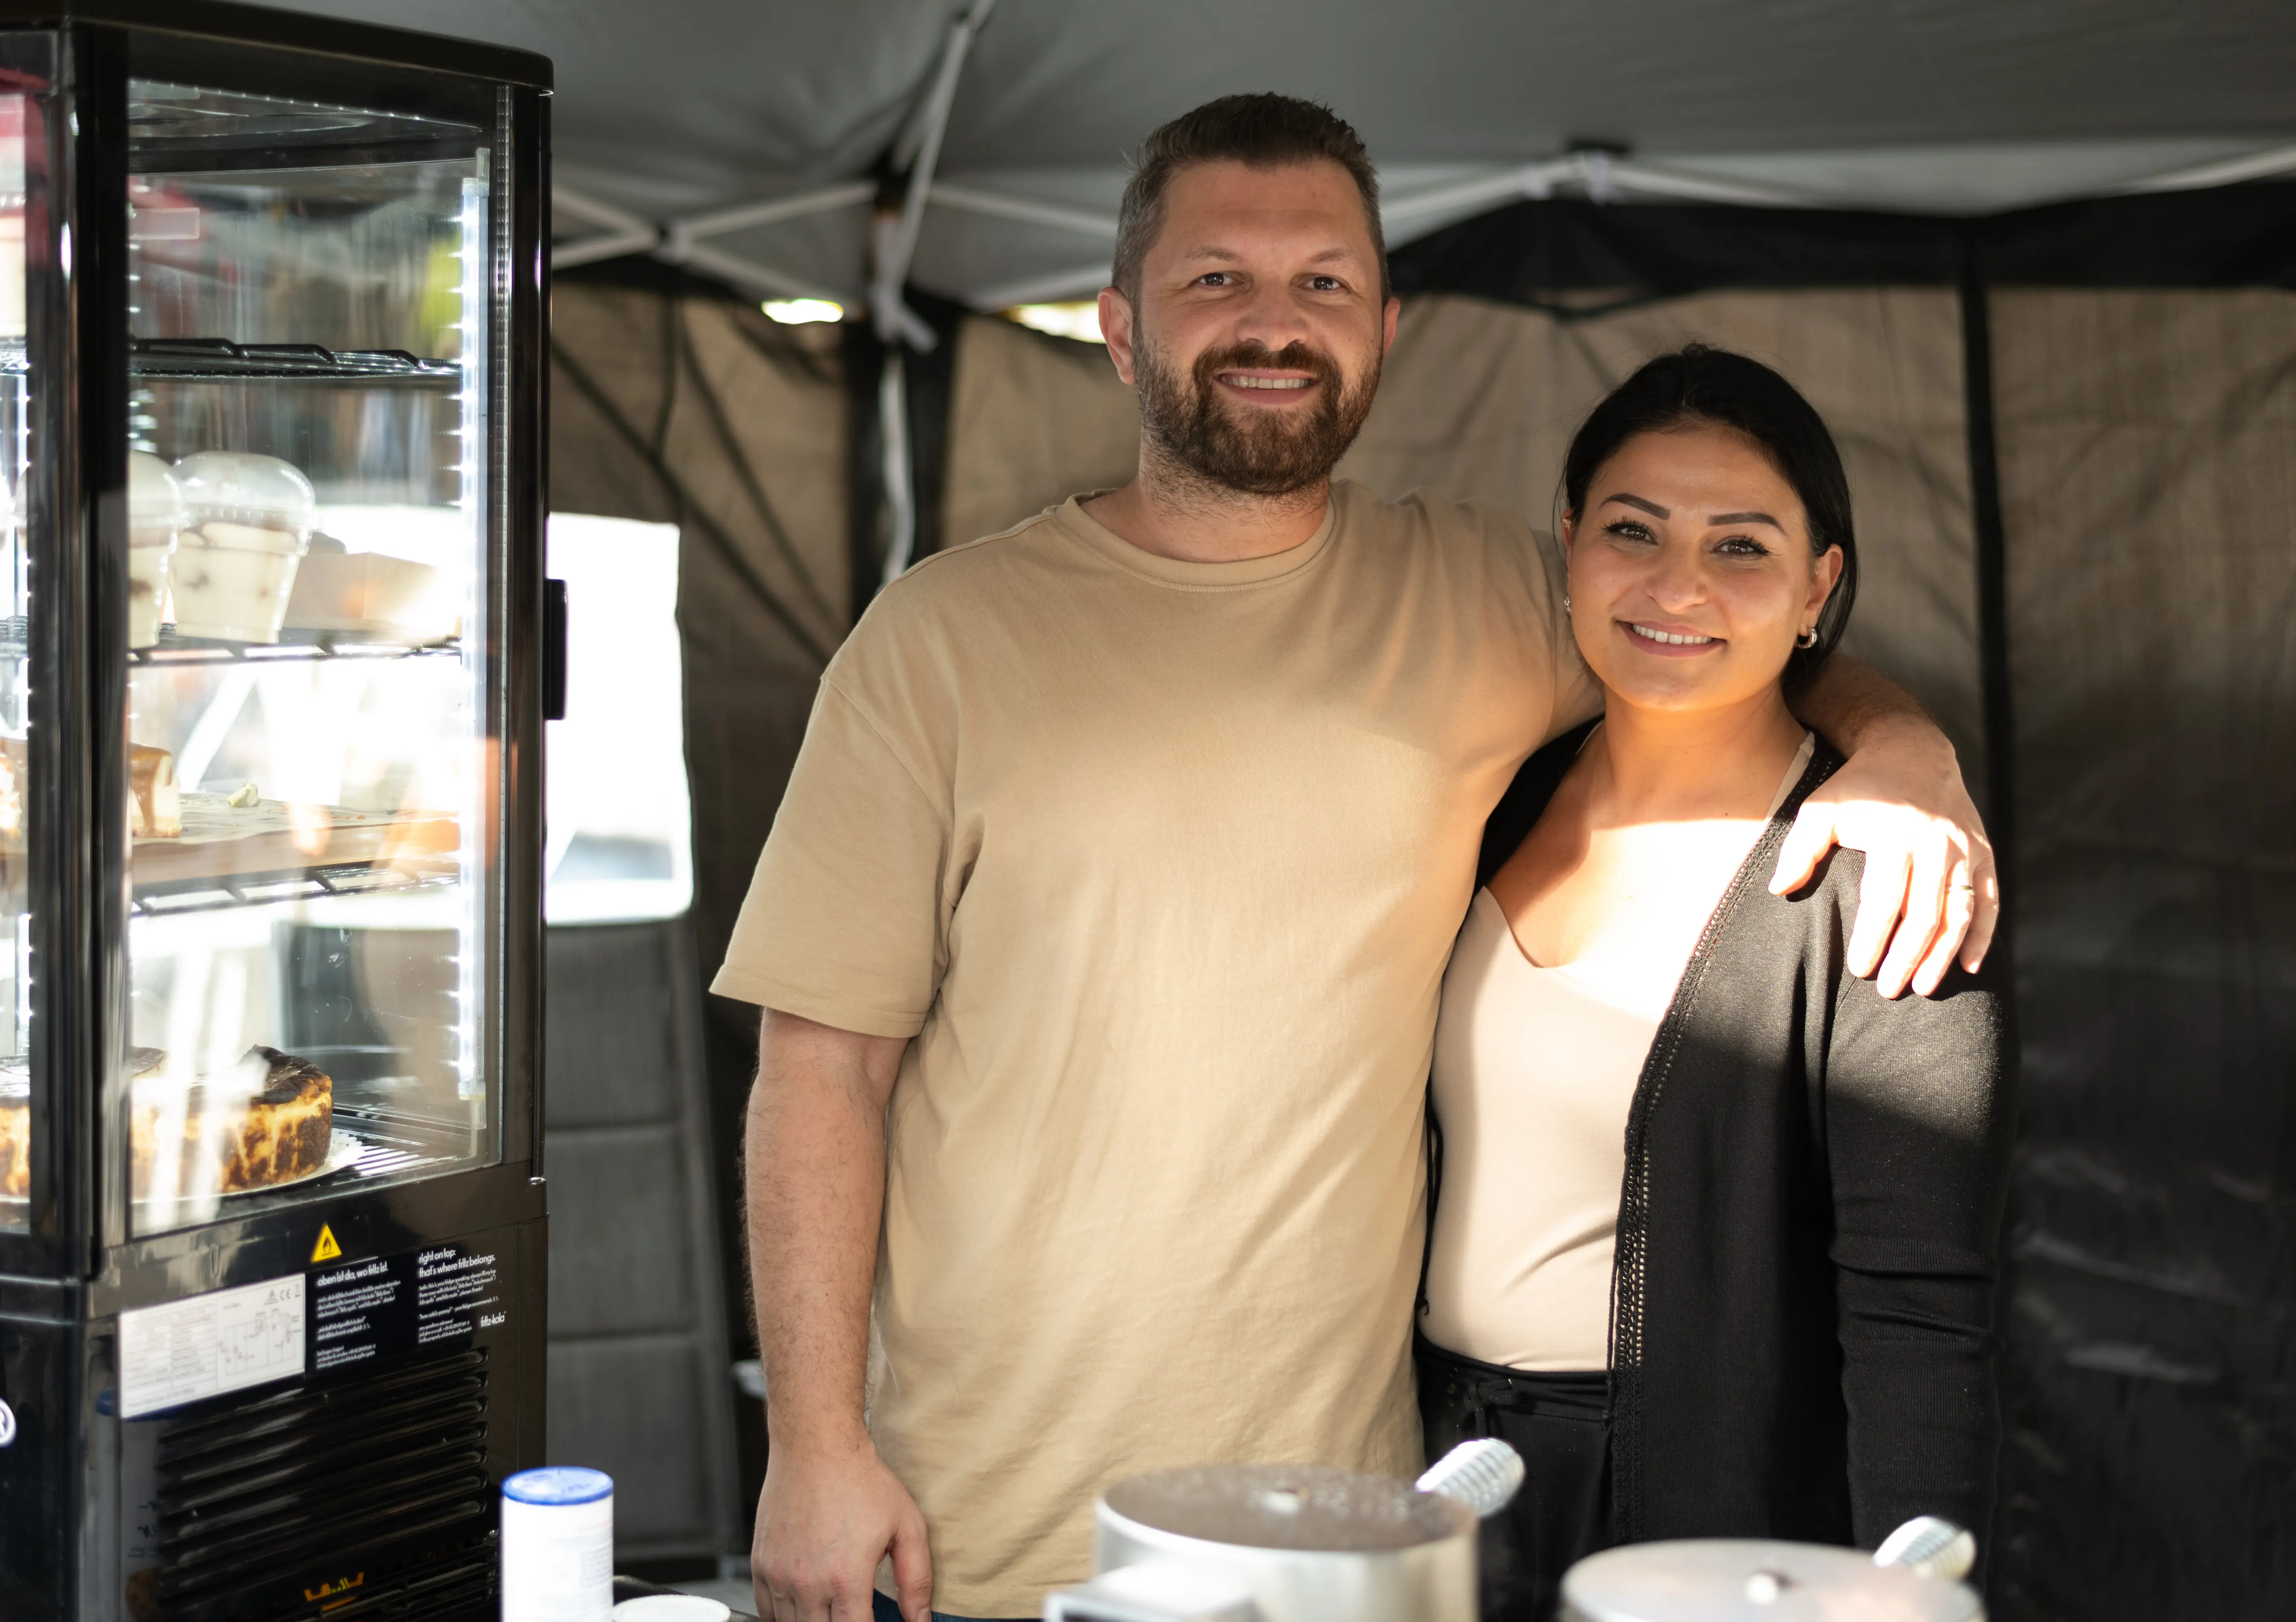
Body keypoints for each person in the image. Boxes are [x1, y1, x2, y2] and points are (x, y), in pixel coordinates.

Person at [718, 94, 1999, 1622]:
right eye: (1216, 281)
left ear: (1386, 327)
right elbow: (818, 1073)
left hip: (1355, 1522)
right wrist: (812, 1444)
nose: (1275, 325)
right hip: (986, 1516)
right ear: (1119, 329)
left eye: (1323, 282)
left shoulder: (1484, 594)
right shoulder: (935, 642)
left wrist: (1906, 751)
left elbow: (1713, 623)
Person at [1417, 345, 2013, 1622]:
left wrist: (1914, 1589)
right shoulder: (1500, 789)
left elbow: (1921, 1316)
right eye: (1633, 529)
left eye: (1741, 546)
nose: (1676, 583)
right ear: (1570, 540)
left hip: (1692, 1505)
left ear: (1819, 586)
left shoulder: (1883, 874)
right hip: (1436, 1473)